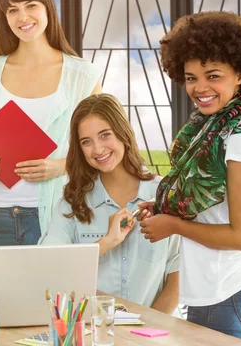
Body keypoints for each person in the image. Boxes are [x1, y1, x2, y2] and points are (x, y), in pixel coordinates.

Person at [139, 11, 241, 340]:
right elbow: (209, 210)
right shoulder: (210, 129)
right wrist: (162, 209)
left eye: (213, 75)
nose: (200, 88)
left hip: (227, 292)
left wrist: (174, 225)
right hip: (210, 291)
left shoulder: (239, 139)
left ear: (239, 73)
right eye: (191, 77)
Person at [0, 0, 102, 246]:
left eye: (31, 5)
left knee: (54, 290)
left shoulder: (82, 76)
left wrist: (60, 166)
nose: (22, 17)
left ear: (47, 8)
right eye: (12, 10)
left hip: (56, 213)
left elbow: (99, 151)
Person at [41, 94, 179, 313]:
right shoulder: (72, 204)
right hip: (91, 332)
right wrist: (106, 242)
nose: (97, 149)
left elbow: (177, 278)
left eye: (105, 135)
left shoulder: (164, 194)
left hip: (153, 335)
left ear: (122, 132)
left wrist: (146, 333)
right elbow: (50, 268)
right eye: (86, 142)